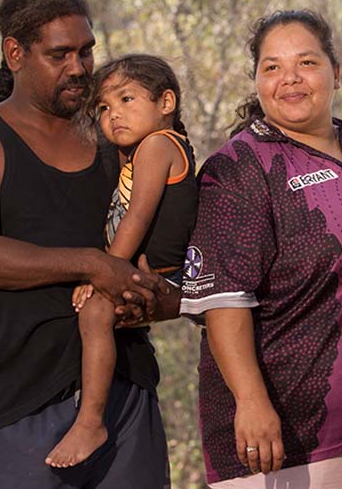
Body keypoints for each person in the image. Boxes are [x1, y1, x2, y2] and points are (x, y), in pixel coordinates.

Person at [0, 0, 170, 487]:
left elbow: (165, 263)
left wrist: (154, 298)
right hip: (19, 405)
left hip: (125, 398)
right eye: (59, 54)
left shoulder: (117, 141)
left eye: (86, 51)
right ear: (14, 53)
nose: (80, 67)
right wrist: (94, 264)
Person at [177, 9, 342, 488]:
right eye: (272, 67)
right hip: (285, 438)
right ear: (257, 81)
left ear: (336, 73)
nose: (289, 78)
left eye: (306, 63)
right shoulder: (240, 168)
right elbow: (223, 299)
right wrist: (251, 400)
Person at [45, 54, 199, 468]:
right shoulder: (138, 152)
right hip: (141, 271)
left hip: (154, 273)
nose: (114, 116)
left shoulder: (158, 146)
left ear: (166, 102)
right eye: (105, 108)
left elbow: (137, 218)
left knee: (94, 313)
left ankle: (90, 421)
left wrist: (102, 274)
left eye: (127, 100)